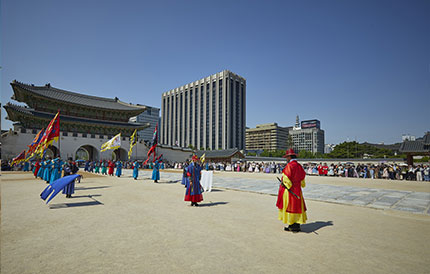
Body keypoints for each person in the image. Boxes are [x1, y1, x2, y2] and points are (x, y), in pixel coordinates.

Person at [276, 149, 307, 233]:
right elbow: (302, 179)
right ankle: (297, 225)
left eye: (287, 157)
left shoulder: (289, 166)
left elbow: (286, 178)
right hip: (298, 190)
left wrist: (285, 184)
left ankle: (291, 225)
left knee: (290, 207)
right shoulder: (299, 166)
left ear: (289, 157)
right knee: (297, 207)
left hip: (290, 191)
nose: (286, 159)